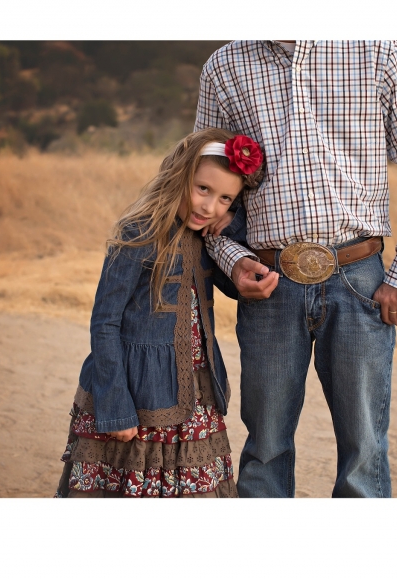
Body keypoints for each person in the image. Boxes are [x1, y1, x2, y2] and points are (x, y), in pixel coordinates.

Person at [196, 40, 397, 497]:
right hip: (269, 283)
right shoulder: (225, 66)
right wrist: (234, 261)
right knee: (265, 448)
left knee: (363, 450)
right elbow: (204, 187)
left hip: (359, 279)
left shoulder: (376, 50)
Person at [54, 127, 264, 498]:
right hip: (137, 394)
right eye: (203, 189)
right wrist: (116, 405)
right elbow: (105, 323)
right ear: (179, 176)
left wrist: (232, 222)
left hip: (194, 392)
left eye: (225, 199)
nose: (209, 207)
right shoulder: (139, 233)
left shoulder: (204, 238)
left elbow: (234, 286)